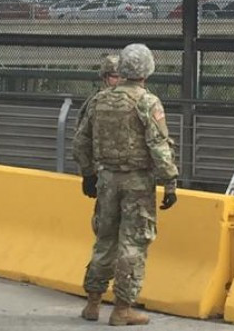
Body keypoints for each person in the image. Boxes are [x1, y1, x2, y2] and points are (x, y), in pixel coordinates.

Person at [73, 44, 179, 326]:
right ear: (147, 70)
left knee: (104, 239)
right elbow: (159, 147)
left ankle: (92, 303)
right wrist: (169, 182)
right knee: (133, 242)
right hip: (137, 182)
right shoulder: (147, 102)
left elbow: (80, 142)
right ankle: (122, 309)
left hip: (106, 179)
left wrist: (88, 174)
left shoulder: (100, 101)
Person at [75, 55, 121, 233]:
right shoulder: (96, 102)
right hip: (104, 173)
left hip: (129, 174)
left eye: (122, 77)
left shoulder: (137, 100)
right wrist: (88, 173)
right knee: (104, 227)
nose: (118, 81)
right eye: (114, 76)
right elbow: (81, 139)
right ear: (105, 78)